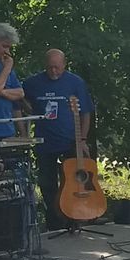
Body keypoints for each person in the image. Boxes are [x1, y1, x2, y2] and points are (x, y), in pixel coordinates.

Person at [23, 49, 95, 231]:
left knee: (72, 182)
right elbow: (19, 101)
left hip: (70, 140)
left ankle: (74, 218)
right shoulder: (33, 83)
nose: (53, 71)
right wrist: (27, 121)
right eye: (50, 67)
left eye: (57, 67)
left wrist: (82, 139)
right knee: (47, 184)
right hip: (45, 141)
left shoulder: (75, 82)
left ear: (64, 64)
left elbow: (86, 112)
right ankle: (55, 223)